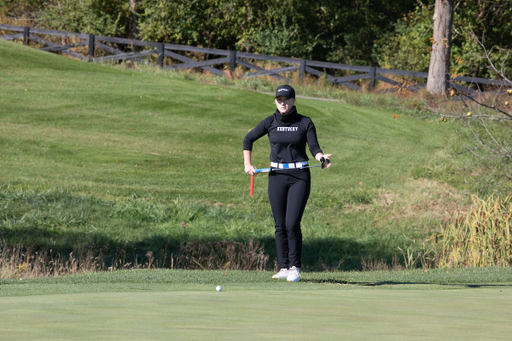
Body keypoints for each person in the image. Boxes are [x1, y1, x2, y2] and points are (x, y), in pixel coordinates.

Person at [243, 85, 331, 282]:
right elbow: (248, 139)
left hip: (299, 176)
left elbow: (314, 147)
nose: (282, 103)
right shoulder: (270, 122)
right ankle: (283, 266)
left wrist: (321, 157)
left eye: (286, 99)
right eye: (279, 99)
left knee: (292, 224)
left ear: (293, 101)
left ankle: (294, 267)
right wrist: (247, 164)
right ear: (275, 101)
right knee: (280, 225)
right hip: (277, 176)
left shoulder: (305, 122)